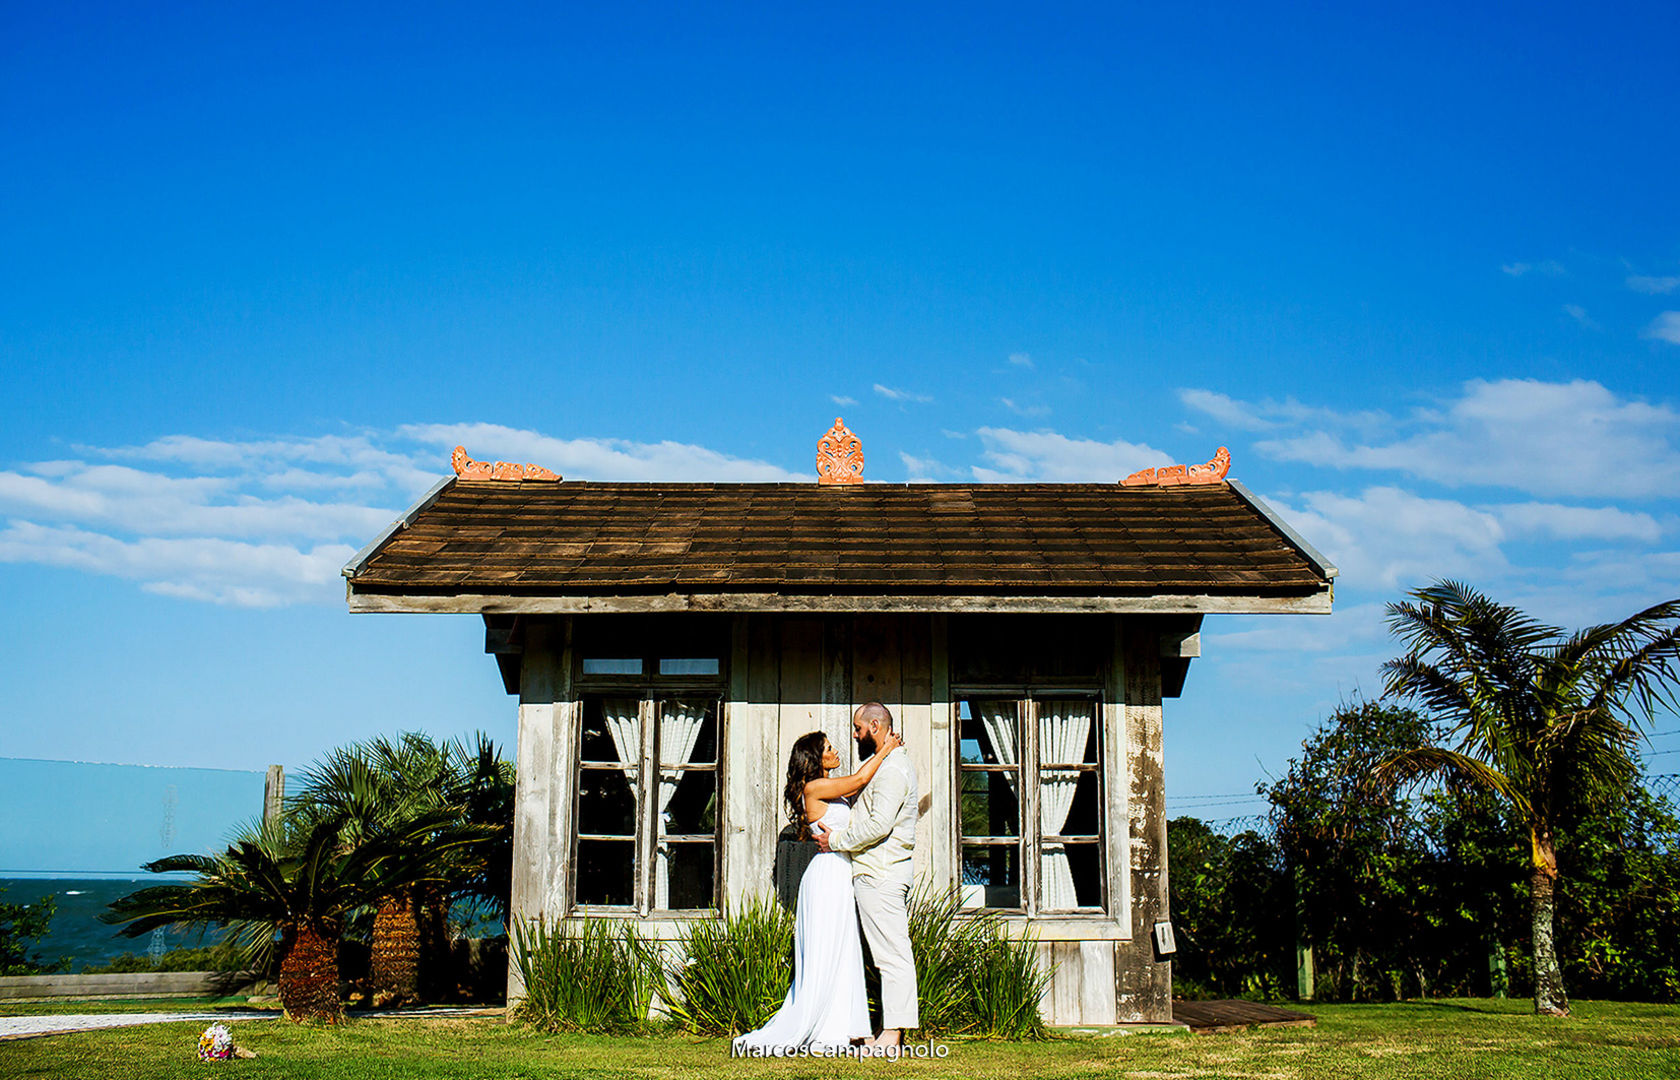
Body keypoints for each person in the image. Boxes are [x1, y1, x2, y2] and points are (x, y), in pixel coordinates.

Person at [732, 722, 904, 1055]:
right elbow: (860, 780)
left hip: (840, 872)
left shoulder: (830, 789)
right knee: (831, 949)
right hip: (827, 876)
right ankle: (830, 1026)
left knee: (844, 949)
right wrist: (887, 749)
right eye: (828, 748)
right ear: (815, 758)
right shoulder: (814, 788)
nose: (835, 751)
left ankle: (851, 1027)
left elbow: (859, 790)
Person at [813, 701, 920, 1050]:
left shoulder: (893, 769)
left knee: (892, 956)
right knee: (887, 955)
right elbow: (858, 787)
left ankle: (893, 1033)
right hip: (874, 872)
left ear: (875, 726)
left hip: (881, 873)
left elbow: (879, 825)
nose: (855, 736)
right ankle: (888, 1030)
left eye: (858, 729)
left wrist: (835, 841)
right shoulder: (885, 764)